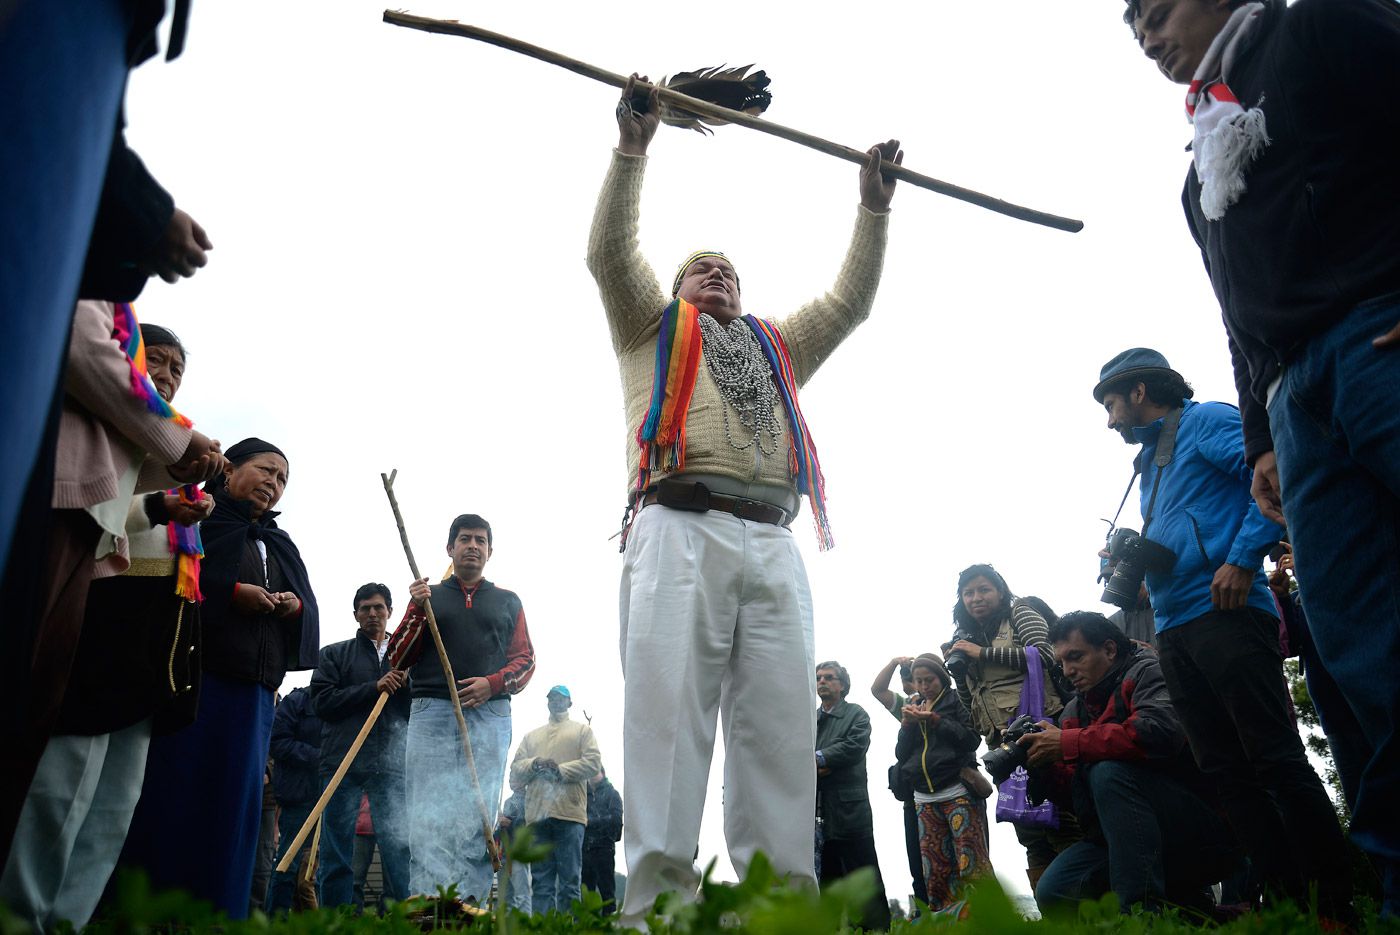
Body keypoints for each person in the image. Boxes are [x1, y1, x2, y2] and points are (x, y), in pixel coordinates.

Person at [586, 71, 902, 925]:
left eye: (727, 269)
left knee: (777, 728)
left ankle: (775, 910)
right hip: (675, 525)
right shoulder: (648, 331)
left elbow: (849, 302)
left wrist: (871, 208)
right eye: (699, 268)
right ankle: (656, 906)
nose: (716, 273)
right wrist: (632, 148)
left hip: (773, 539)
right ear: (677, 291)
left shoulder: (777, 348)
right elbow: (610, 254)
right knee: (667, 718)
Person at [1122, 0, 1400, 911]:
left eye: (1158, 12)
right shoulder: (1202, 164)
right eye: (1136, 32)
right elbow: (1236, 315)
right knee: (1361, 649)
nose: (1151, 38)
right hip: (1293, 397)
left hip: (1376, 336)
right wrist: (1261, 439)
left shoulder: (1324, 28)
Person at [1093, 348, 1350, 911]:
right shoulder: (1150, 464)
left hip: (1229, 611)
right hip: (1175, 627)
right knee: (1225, 773)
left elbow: (1277, 476)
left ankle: (1336, 902)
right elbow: (1187, 532)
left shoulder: (1204, 420)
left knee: (1274, 757)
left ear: (1139, 391)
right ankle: (1287, 906)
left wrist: (1240, 559)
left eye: (1111, 404)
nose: (1110, 420)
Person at [0, 313, 222, 929]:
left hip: (156, 634)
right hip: (103, 607)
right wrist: (156, 503)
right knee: (61, 782)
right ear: (125, 354)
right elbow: (95, 508)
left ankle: (68, 919)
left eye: (178, 369)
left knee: (115, 800)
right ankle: (22, 916)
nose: (168, 375)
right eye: (157, 360)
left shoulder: (175, 448)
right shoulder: (116, 430)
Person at [121, 437, 320, 919]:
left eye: (282, 479)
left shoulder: (279, 543)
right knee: (179, 794)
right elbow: (167, 580)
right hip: (197, 684)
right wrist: (230, 592)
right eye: (266, 470)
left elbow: (307, 608)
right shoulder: (198, 517)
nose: (274, 484)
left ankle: (219, 915)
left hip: (253, 700)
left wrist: (292, 608)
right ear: (229, 471)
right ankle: (155, 911)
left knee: (234, 814)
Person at [1023, 612, 1237, 914]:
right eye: (1061, 663)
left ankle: (1140, 915)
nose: (1068, 671)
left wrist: (1068, 743)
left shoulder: (1150, 671)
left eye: (1076, 657)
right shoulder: (1075, 708)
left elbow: (1159, 732)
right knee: (1055, 890)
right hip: (1124, 838)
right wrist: (1042, 766)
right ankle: (1196, 911)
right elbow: (1080, 796)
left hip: (1199, 831)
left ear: (1109, 650)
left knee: (1108, 771)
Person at [387, 513, 535, 903]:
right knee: (426, 808)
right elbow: (396, 657)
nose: (473, 545)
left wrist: (493, 683)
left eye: (481, 540)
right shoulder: (428, 596)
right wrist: (417, 609)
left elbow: (526, 660)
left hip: (489, 715)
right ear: (450, 548)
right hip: (432, 709)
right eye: (465, 539)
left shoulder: (508, 600)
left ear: (489, 551)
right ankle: (428, 900)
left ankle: (469, 902)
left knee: (480, 810)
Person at [942, 564, 1072, 892]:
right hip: (1001, 744)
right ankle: (1055, 915)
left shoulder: (1020, 612)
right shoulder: (967, 637)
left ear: (1000, 591)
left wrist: (982, 653)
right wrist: (959, 666)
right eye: (968, 593)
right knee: (1029, 830)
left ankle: (1091, 907)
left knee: (1064, 820)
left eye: (984, 589)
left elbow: (1046, 654)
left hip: (1041, 729)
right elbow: (969, 699)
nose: (976, 598)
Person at [308, 582, 411, 908]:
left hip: (391, 764)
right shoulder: (335, 654)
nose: (372, 614)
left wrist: (407, 686)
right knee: (336, 848)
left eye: (379, 607)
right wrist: (373, 687)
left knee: (398, 847)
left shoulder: (406, 656)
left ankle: (401, 918)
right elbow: (322, 702)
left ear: (390, 612)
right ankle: (335, 921)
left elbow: (417, 710)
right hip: (343, 761)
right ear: (355, 614)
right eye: (365, 608)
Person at [894, 654, 990, 915]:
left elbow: (971, 739)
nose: (924, 686)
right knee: (935, 868)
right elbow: (902, 754)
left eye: (930, 680)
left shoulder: (956, 700)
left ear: (942, 678)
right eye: (919, 681)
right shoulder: (915, 704)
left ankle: (984, 919)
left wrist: (935, 721)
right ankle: (944, 921)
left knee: (971, 861)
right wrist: (907, 726)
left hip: (956, 790)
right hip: (923, 798)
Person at [509, 685, 602, 915]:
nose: (556, 701)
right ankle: (543, 930)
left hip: (569, 815)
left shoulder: (582, 731)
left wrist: (560, 770)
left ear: (570, 703)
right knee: (541, 883)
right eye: (552, 698)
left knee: (570, 882)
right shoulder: (531, 737)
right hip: (538, 816)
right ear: (547, 702)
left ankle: (566, 931)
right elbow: (515, 771)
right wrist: (536, 763)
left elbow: (592, 763)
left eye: (561, 698)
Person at [815, 662, 890, 931]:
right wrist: (817, 764)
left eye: (829, 677)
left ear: (842, 685)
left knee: (863, 873)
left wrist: (819, 758)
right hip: (817, 811)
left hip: (850, 810)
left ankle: (877, 929)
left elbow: (854, 747)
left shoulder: (856, 714)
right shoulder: (810, 719)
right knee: (827, 877)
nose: (822, 681)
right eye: (819, 677)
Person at [870, 656, 927, 910]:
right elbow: (877, 690)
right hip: (913, 793)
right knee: (918, 861)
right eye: (914, 679)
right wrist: (894, 663)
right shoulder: (906, 706)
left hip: (943, 791)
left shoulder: (947, 702)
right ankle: (928, 915)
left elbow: (878, 690)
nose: (917, 685)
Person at [265, 687, 323, 913]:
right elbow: (278, 743)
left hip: (332, 795)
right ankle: (276, 919)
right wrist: (318, 757)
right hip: (299, 796)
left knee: (321, 867)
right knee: (288, 863)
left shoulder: (341, 700)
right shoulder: (297, 701)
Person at [582, 769, 623, 910]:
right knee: (585, 897)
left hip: (604, 849)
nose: (592, 775)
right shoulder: (582, 795)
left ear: (603, 773)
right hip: (585, 849)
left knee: (608, 894)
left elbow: (616, 820)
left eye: (595, 771)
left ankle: (610, 928)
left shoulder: (612, 794)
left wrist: (590, 822)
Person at [496, 791, 532, 913]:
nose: (512, 780)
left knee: (521, 895)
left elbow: (527, 826)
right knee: (505, 898)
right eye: (511, 777)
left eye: (515, 777)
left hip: (519, 853)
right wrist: (500, 824)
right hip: (504, 853)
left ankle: (525, 925)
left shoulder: (530, 800)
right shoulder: (508, 802)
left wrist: (510, 823)